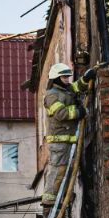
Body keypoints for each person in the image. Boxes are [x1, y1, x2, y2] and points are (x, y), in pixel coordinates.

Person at [41, 62, 94, 209]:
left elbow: (77, 87)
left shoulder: (66, 90)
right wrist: (79, 112)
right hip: (59, 140)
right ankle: (49, 198)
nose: (67, 79)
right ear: (56, 78)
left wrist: (86, 78)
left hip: (68, 139)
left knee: (67, 170)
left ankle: (62, 195)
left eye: (67, 77)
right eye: (64, 77)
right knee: (58, 169)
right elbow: (61, 114)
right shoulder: (51, 95)